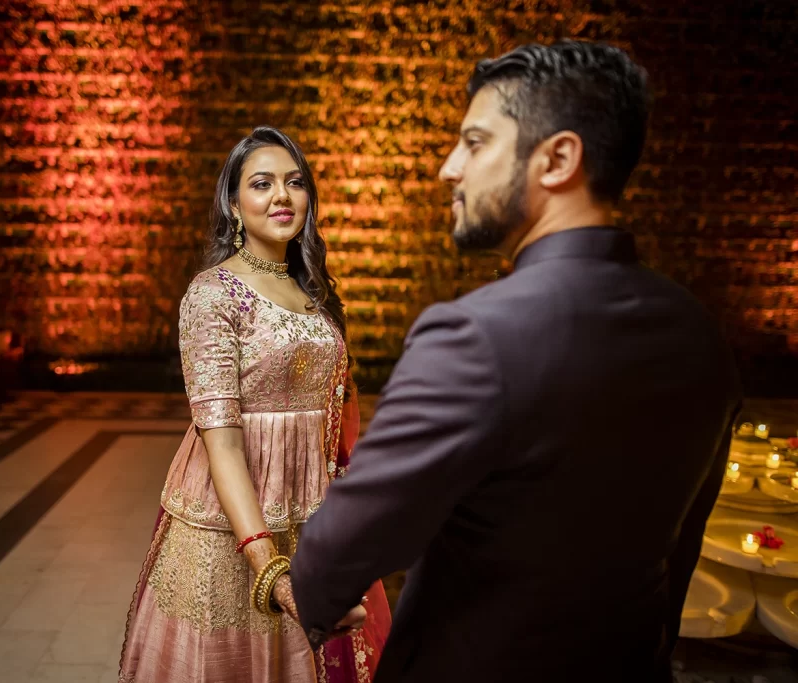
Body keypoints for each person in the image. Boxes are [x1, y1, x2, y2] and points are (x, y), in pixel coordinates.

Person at [290, 41, 742, 683]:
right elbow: (681, 552)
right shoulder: (702, 336)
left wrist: (314, 594)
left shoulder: (473, 337)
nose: (451, 168)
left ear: (557, 159)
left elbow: (336, 555)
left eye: (474, 144)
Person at [118, 126, 391, 683]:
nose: (281, 196)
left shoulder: (313, 292)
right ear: (234, 205)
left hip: (311, 515)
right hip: (233, 529)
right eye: (261, 184)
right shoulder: (213, 294)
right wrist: (269, 569)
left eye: (294, 183)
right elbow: (222, 442)